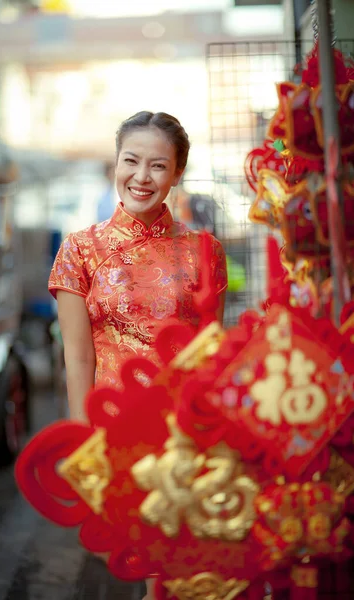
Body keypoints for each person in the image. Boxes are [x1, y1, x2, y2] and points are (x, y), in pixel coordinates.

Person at [48, 111, 227, 599]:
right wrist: (81, 442)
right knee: (142, 561)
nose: (141, 178)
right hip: (117, 430)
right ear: (116, 162)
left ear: (177, 173)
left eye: (157, 166)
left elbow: (212, 349)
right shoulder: (80, 250)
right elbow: (78, 359)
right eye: (131, 161)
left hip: (187, 432)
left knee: (183, 570)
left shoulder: (204, 249)